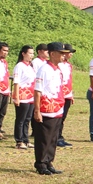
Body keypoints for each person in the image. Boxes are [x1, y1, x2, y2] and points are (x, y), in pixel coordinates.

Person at [32, 42, 67, 175]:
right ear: (52, 54)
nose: (63, 56)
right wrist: (37, 110)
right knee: (44, 138)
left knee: (53, 137)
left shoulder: (58, 70)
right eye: (61, 53)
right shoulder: (44, 69)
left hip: (57, 107)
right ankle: (40, 163)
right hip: (46, 108)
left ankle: (49, 161)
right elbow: (38, 91)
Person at [11, 45, 36, 150]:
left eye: (32, 53)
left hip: (31, 96)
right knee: (20, 119)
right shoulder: (19, 66)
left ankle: (26, 139)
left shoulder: (30, 66)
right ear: (23, 53)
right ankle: (19, 140)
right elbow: (16, 83)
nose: (31, 55)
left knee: (27, 119)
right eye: (29, 53)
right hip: (22, 96)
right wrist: (16, 97)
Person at [56, 44, 75, 148]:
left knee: (63, 117)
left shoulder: (68, 65)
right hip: (59, 94)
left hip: (67, 94)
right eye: (69, 52)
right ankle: (56, 137)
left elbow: (69, 80)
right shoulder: (58, 65)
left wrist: (71, 94)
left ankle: (59, 135)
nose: (70, 54)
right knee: (57, 117)